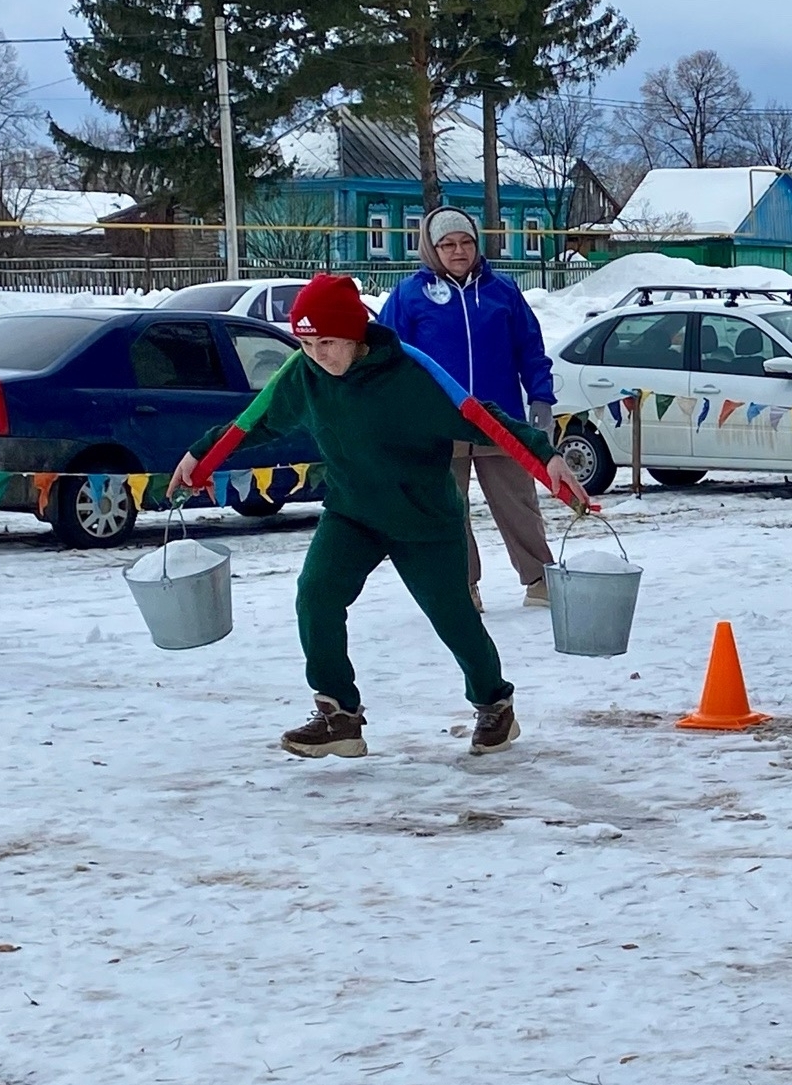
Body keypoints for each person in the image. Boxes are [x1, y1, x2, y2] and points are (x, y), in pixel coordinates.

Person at [172, 273, 585, 759]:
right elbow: (254, 420)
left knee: (452, 617)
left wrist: (546, 458)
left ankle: (495, 703)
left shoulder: (413, 374)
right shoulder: (304, 375)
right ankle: (339, 714)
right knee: (316, 596)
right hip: (353, 512)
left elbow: (483, 417)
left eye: (327, 342)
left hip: (423, 519)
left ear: (355, 334)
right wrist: (201, 457)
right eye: (306, 344)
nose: (318, 355)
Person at [377, 206, 560, 611]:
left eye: (465, 242)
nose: (458, 251)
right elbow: (386, 357)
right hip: (438, 425)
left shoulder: (503, 291)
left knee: (519, 504)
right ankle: (461, 587)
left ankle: (540, 581)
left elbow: (530, 349)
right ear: (432, 248)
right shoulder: (409, 295)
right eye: (448, 244)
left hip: (500, 420)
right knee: (447, 510)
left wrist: (541, 397)